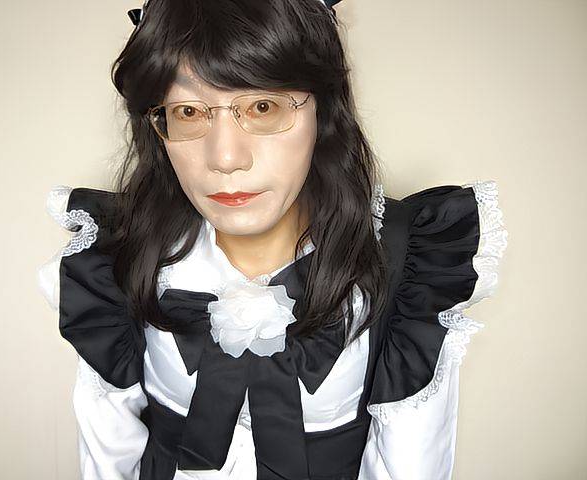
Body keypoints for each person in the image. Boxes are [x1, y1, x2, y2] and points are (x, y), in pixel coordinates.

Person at [37, 0, 509, 478]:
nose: (225, 158)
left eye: (262, 106)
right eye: (188, 111)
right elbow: (108, 459)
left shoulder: (410, 264)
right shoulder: (115, 258)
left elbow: (409, 466)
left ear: (323, 109)